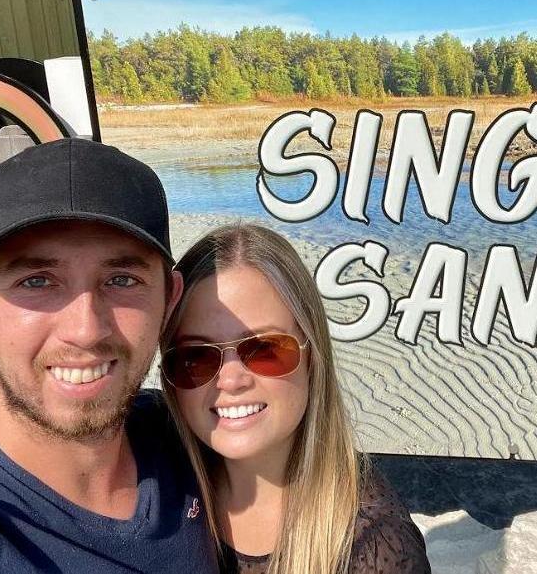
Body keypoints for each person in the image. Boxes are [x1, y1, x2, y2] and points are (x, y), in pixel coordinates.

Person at [0, 139, 219, 573]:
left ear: (168, 301)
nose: (86, 330)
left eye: (122, 280)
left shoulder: (197, 440)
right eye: (37, 281)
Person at [160, 224, 431, 574]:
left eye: (265, 349)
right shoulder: (152, 467)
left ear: (312, 357)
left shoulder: (375, 548)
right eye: (195, 358)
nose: (231, 379)